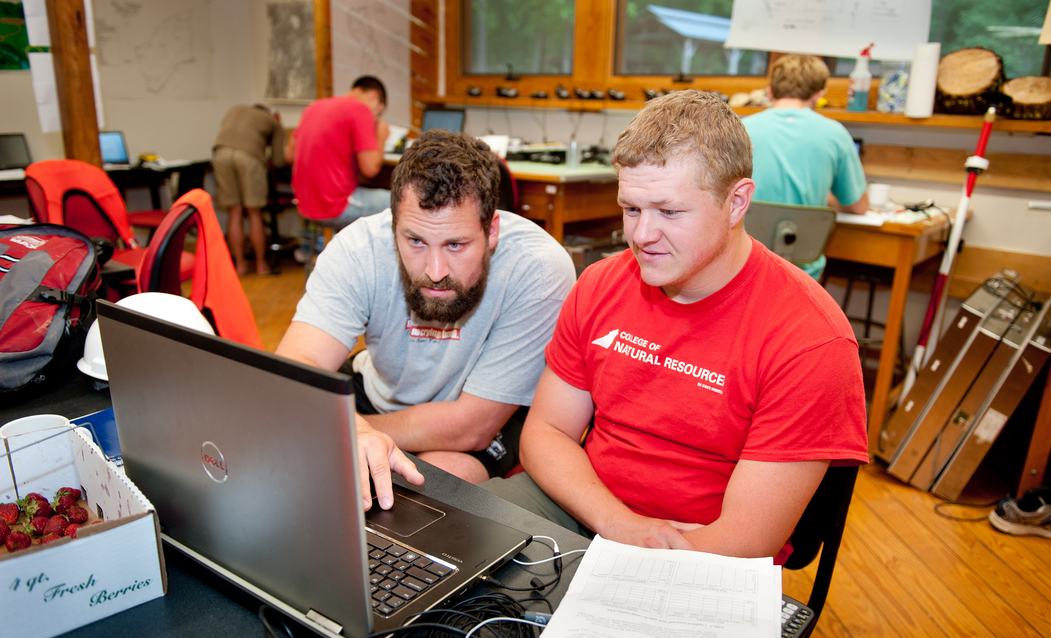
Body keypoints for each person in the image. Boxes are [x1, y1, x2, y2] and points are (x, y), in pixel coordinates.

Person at [485, 91, 868, 562]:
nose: (642, 235)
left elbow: (748, 537)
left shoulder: (810, 340)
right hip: (581, 505)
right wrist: (617, 523)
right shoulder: (602, 283)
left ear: (736, 202)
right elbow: (546, 433)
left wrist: (630, 547)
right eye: (632, 209)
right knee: (450, 558)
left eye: (669, 212)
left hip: (700, 546)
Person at [276, 130, 576, 499]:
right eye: (415, 241)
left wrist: (355, 430)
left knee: (424, 489)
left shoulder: (537, 267)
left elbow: (471, 427)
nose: (435, 270)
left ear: (492, 230)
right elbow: (294, 369)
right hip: (378, 392)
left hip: (481, 416)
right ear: (393, 224)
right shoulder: (359, 249)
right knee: (289, 455)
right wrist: (356, 433)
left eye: (455, 244)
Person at [743, 54, 869, 281]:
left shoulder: (741, 129)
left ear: (770, 90)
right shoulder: (835, 134)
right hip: (803, 276)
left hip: (742, 264)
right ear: (820, 93)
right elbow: (858, 206)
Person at [286, 75, 392, 261]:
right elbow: (370, 169)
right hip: (334, 206)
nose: (375, 117)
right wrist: (381, 136)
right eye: (379, 112)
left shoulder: (314, 107)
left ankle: (334, 256)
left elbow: (289, 154)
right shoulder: (360, 110)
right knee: (397, 202)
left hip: (305, 205)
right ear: (375, 97)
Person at [212, 103, 284, 275]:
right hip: (249, 158)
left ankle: (240, 265)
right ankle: (261, 265)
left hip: (220, 155)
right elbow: (279, 160)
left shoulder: (234, 110)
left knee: (234, 212)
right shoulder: (272, 121)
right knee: (254, 212)